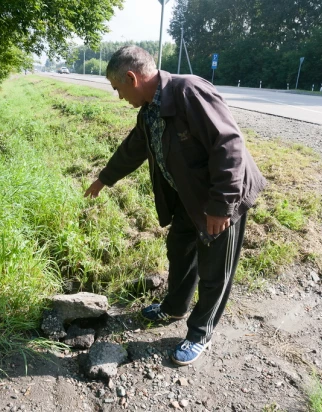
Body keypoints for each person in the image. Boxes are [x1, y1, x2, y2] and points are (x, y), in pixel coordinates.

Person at [84, 46, 267, 365]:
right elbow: (133, 149)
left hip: (221, 198)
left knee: (214, 270)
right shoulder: (150, 110)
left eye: (118, 89)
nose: (119, 97)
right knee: (179, 249)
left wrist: (221, 206)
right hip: (188, 197)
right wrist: (103, 180)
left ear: (132, 77)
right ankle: (174, 307)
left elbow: (229, 144)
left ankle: (200, 333)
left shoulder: (188, 92)